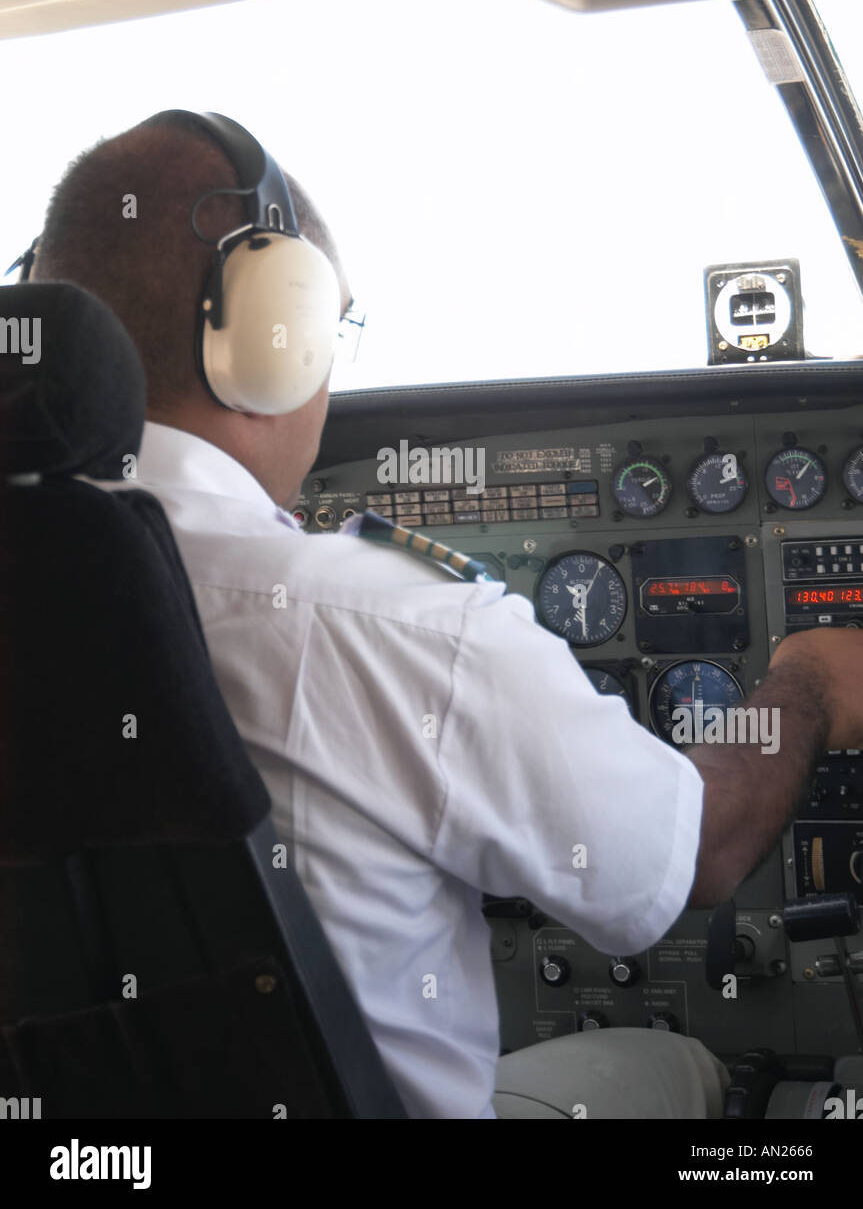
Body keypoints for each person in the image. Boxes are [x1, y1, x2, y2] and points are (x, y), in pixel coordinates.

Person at [27, 110, 863, 1119]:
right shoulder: (384, 621)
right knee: (670, 1066)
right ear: (274, 336)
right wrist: (808, 684)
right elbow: (688, 854)